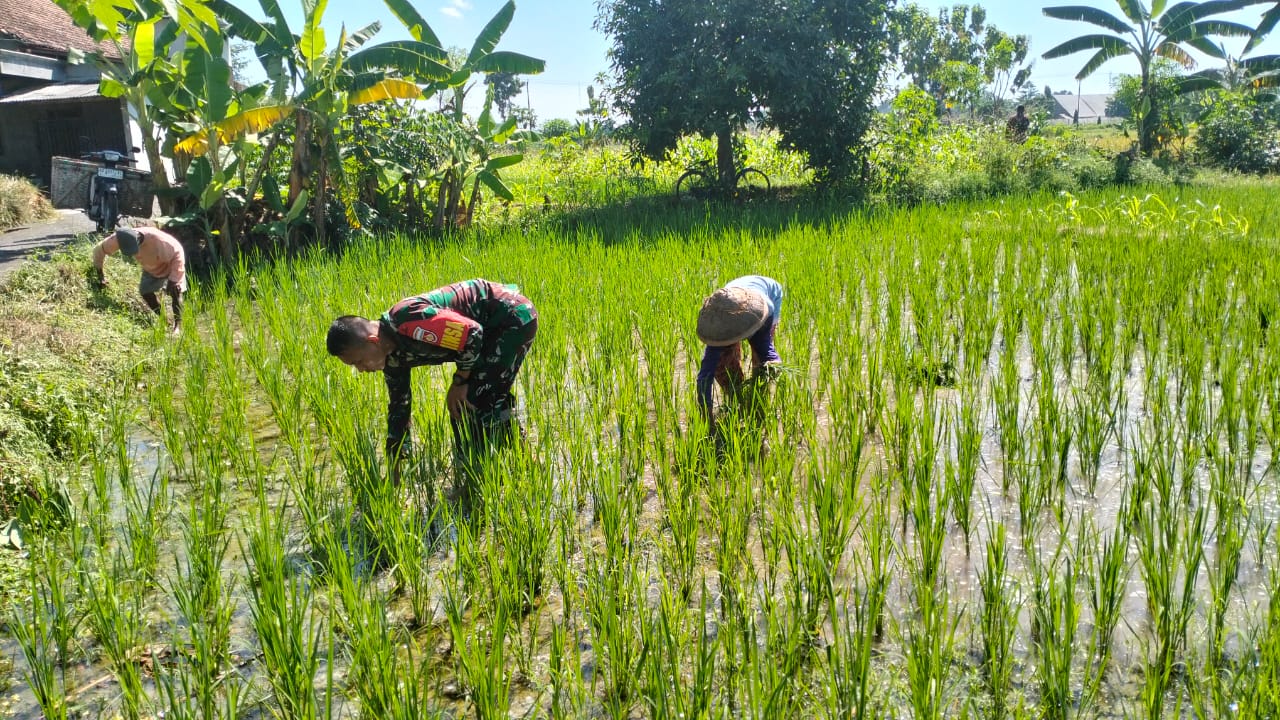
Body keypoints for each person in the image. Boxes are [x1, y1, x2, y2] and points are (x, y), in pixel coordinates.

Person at [326, 279, 538, 482]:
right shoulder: (392, 359)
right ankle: (525, 465)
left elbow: (472, 333)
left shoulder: (407, 320)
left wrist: (460, 382)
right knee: (479, 402)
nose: (362, 370)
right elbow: (400, 409)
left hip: (510, 319)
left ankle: (482, 482)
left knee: (470, 403)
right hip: (491, 333)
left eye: (359, 362)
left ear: (372, 341)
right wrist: (395, 468)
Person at [695, 275, 783, 431]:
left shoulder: (764, 310)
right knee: (724, 367)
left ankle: (758, 401)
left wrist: (773, 364)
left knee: (760, 361)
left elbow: (767, 350)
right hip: (731, 303)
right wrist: (706, 417)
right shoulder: (718, 327)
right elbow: (704, 377)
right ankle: (737, 398)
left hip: (762, 301)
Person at [92, 226, 185, 334]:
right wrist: (101, 276)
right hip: (151, 268)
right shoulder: (119, 238)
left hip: (171, 263)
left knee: (175, 291)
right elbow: (98, 250)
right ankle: (165, 320)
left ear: (138, 239)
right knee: (145, 291)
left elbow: (178, 254)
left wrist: (174, 281)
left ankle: (178, 327)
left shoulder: (161, 242)